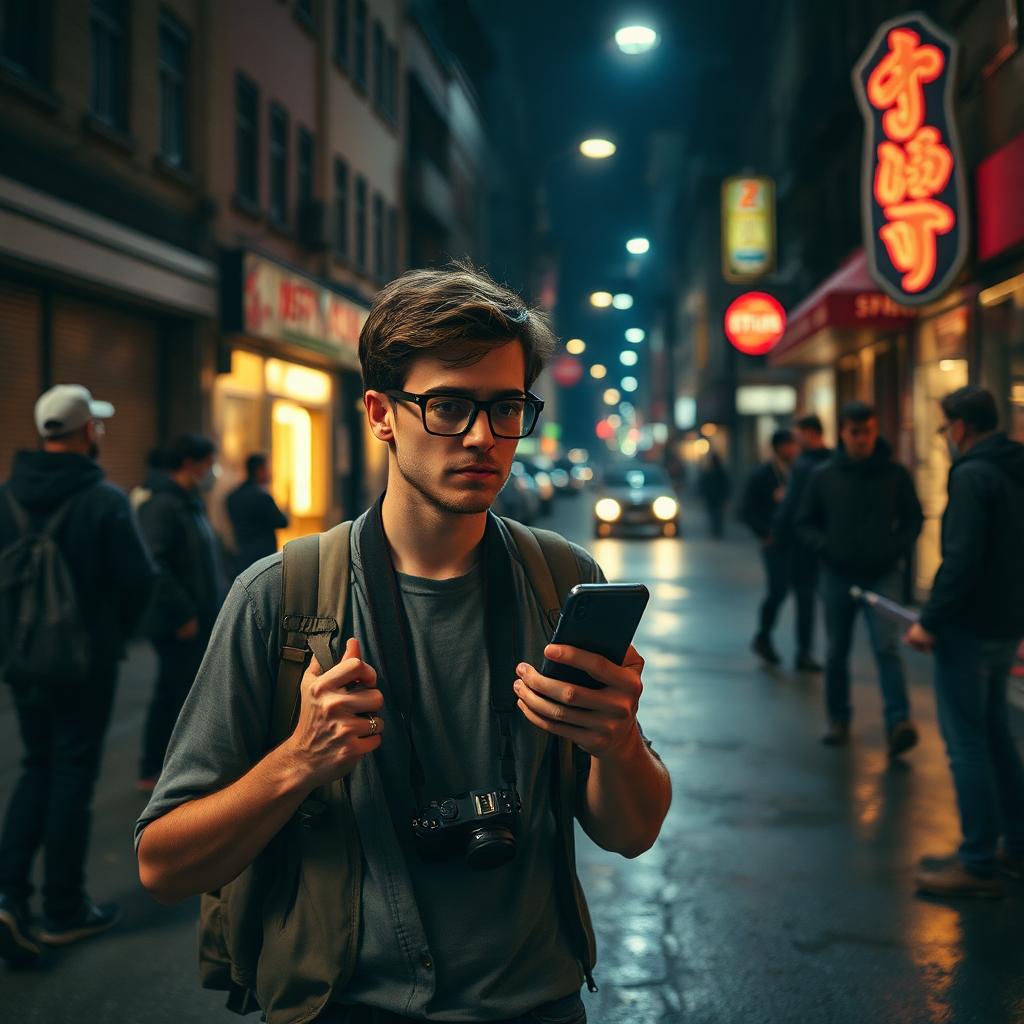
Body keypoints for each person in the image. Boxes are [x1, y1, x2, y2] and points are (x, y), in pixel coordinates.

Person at [135, 265, 672, 1024]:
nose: (484, 437)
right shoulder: (278, 599)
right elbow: (163, 863)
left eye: (507, 407)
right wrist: (299, 761)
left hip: (538, 1002)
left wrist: (618, 744)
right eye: (449, 406)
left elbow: (632, 832)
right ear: (382, 413)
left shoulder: (561, 581)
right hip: (348, 1002)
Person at [0, 385, 154, 963]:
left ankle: (10, 893)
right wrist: (114, 631)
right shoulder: (105, 500)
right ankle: (63, 910)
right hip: (85, 663)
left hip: (22, 661)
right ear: (87, 431)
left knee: (35, 766)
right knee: (72, 775)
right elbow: (139, 580)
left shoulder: (6, 495)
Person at [905, 387, 1024, 898]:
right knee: (997, 735)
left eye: (944, 427)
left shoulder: (972, 475)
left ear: (960, 426)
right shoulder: (1015, 468)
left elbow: (960, 561)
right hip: (1004, 624)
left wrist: (930, 621)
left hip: (970, 628)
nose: (945, 438)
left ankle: (977, 862)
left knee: (967, 744)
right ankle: (1015, 848)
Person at [797, 401, 923, 754]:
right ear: (843, 433)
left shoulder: (894, 474)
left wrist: (895, 548)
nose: (862, 439)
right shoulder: (824, 475)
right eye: (855, 432)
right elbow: (804, 522)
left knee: (887, 647)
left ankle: (899, 722)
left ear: (875, 431)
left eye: (868, 431)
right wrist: (826, 547)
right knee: (837, 650)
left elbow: (913, 519)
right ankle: (838, 720)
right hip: (837, 574)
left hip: (882, 574)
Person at [136, 433, 226, 792]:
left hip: (197, 616)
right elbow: (153, 564)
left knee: (184, 690)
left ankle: (174, 765)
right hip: (179, 622)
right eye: (208, 465)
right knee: (173, 693)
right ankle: (153, 767)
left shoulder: (189, 502)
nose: (211, 472)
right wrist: (181, 613)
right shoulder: (162, 505)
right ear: (192, 464)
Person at [773, 414, 833, 671]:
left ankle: (805, 652)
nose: (796, 441)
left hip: (803, 541)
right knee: (827, 599)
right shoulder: (835, 459)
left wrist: (775, 534)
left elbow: (790, 506)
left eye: (798, 435)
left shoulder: (803, 465)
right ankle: (823, 652)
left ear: (809, 433)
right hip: (831, 539)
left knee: (805, 598)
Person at [739, 428, 799, 666]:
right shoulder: (763, 475)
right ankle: (763, 637)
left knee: (804, 593)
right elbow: (746, 510)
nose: (793, 450)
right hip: (774, 542)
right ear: (778, 448)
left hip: (798, 542)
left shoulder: (799, 472)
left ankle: (804, 651)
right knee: (778, 591)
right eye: (789, 445)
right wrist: (763, 533)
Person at [226, 452, 289, 576]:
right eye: (267, 469)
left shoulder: (232, 497)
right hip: (263, 558)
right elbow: (283, 522)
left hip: (242, 555)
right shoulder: (262, 497)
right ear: (259, 470)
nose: (270, 473)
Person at [698, 450, 731, 539]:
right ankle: (716, 531)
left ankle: (717, 531)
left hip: (716, 498)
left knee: (716, 515)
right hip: (713, 498)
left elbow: (726, 485)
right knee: (716, 515)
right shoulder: (714, 472)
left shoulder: (717, 472)